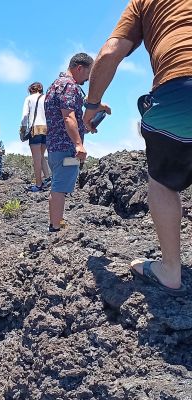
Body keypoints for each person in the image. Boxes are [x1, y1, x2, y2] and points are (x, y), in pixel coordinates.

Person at [83, 0, 192, 296]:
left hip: (180, 89)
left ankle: (170, 270)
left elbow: (110, 52)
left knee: (163, 184)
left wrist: (92, 105)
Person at [45, 53, 107, 232]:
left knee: (59, 183)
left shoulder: (56, 85)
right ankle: (55, 227)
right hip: (66, 147)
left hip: (56, 146)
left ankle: (56, 222)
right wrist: (78, 144)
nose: (88, 79)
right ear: (79, 68)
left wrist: (97, 110)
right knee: (60, 186)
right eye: (88, 74)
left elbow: (73, 112)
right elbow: (68, 117)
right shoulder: (69, 86)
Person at [20, 82, 51, 192]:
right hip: (47, 129)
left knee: (36, 158)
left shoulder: (29, 98)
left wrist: (23, 129)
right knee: (42, 155)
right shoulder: (47, 97)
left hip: (36, 129)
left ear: (31, 90)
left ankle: (38, 184)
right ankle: (48, 179)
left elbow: (25, 115)